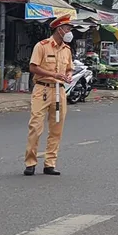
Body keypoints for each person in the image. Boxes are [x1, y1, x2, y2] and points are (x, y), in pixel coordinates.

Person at [24, 15, 74, 176]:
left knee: (57, 128)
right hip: (42, 89)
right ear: (59, 29)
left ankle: (50, 163)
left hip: (59, 91)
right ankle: (30, 162)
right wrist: (53, 74)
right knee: (35, 127)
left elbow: (69, 68)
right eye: (67, 29)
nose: (69, 32)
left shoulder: (67, 49)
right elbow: (33, 67)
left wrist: (68, 75)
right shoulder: (42, 46)